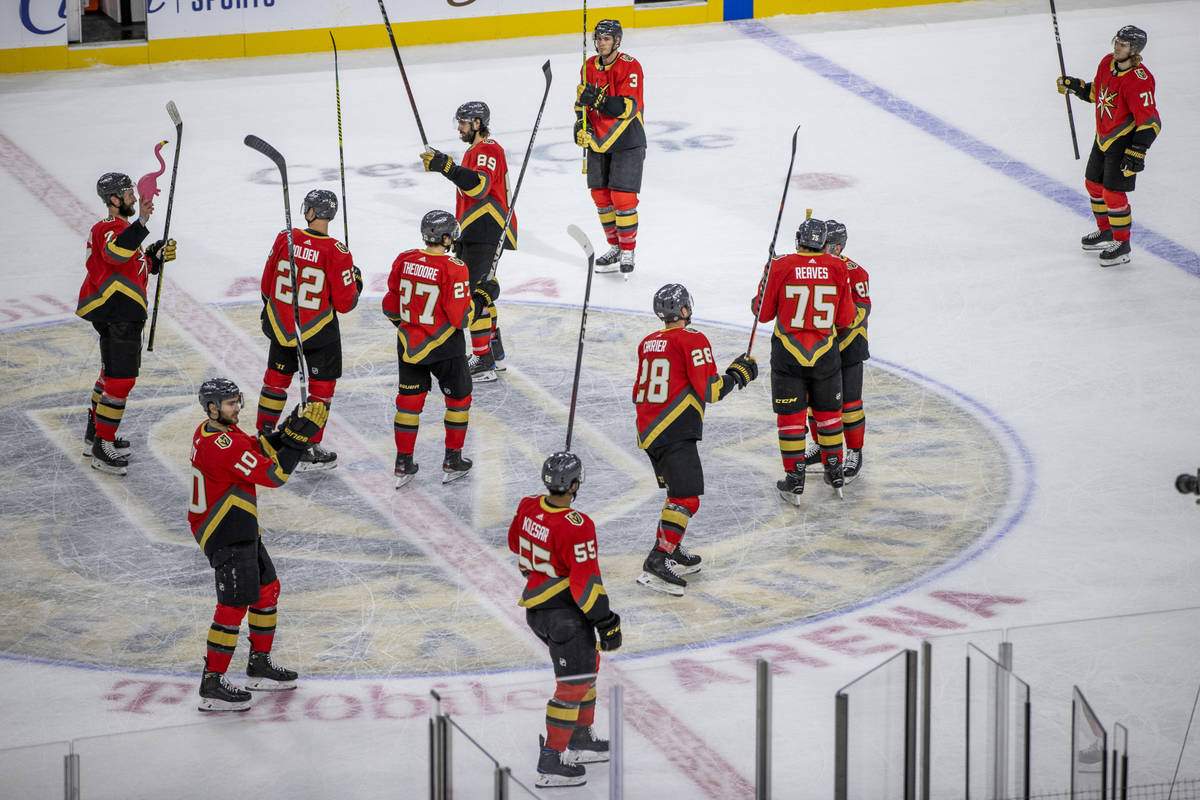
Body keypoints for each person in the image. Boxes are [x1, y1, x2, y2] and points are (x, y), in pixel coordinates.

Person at [188, 378, 328, 712]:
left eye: (238, 401)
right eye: (230, 403)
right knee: (233, 605)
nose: (238, 408)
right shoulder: (222, 445)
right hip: (225, 530)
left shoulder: (215, 432)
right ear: (212, 407)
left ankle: (259, 664)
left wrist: (287, 430)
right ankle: (212, 684)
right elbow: (275, 476)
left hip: (240, 524)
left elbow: (253, 447)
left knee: (268, 590)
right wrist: (297, 442)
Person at [633, 284, 758, 596]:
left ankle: (671, 547)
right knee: (686, 498)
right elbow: (710, 391)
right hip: (674, 429)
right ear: (685, 310)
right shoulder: (693, 339)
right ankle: (657, 561)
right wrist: (738, 375)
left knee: (677, 493)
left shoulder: (648, 342)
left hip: (649, 431)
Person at [506, 452, 622, 787]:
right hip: (565, 617)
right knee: (572, 685)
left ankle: (581, 738)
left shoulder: (528, 505)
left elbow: (515, 542)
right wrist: (606, 621)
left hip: (539, 610)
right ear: (573, 485)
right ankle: (552, 761)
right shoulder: (578, 526)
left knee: (587, 669)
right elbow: (584, 583)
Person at [77, 172, 176, 475]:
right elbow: (115, 254)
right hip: (117, 313)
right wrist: (142, 223)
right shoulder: (108, 227)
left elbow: (134, 269)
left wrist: (153, 256)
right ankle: (102, 447)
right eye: (128, 193)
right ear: (113, 200)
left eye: (132, 192)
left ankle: (95, 436)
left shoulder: (121, 229)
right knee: (121, 381)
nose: (134, 197)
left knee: (110, 376)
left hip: (121, 312)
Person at [255, 189, 362, 471]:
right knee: (321, 391)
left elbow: (266, 286)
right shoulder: (337, 251)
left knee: (274, 382)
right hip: (319, 333)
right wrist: (356, 282)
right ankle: (308, 447)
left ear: (311, 212)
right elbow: (344, 303)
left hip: (282, 326)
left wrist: (279, 314)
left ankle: (263, 440)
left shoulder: (285, 238)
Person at [754, 217, 855, 502]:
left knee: (791, 419)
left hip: (788, 355)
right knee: (829, 417)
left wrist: (767, 270)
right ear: (823, 243)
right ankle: (835, 472)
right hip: (825, 355)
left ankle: (795, 477)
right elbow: (846, 318)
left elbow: (761, 313)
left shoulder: (782, 265)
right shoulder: (837, 267)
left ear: (799, 240)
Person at [420, 101, 513, 382]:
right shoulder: (474, 150)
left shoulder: (488, 149)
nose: (459, 127)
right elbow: (469, 182)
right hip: (473, 231)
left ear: (477, 124)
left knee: (473, 295)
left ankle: (483, 359)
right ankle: (493, 352)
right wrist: (445, 164)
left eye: (464, 122)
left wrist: (446, 167)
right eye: (458, 122)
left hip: (487, 230)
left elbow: (480, 186)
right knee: (480, 289)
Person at [382, 210, 474, 486]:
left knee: (409, 404)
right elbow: (461, 318)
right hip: (446, 347)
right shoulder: (455, 267)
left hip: (409, 346)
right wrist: (480, 300)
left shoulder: (405, 259)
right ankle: (452, 459)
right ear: (445, 237)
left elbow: (389, 306)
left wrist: (410, 326)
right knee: (459, 400)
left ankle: (403, 462)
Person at [1057, 25, 1161, 267]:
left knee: (1112, 193)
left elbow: (1151, 121)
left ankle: (1122, 245)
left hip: (1123, 141)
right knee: (1093, 184)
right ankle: (1106, 233)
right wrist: (1076, 86)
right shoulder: (1106, 63)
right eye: (1117, 41)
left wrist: (1138, 150)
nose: (1116, 46)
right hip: (1102, 137)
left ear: (1134, 49)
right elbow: (1098, 93)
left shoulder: (1140, 80)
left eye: (1123, 44)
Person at [574, 19, 645, 275]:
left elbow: (629, 107)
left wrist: (600, 100)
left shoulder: (630, 66)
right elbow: (580, 105)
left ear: (617, 41)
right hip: (597, 140)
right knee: (601, 197)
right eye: (599, 38)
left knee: (623, 198)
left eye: (607, 38)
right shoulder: (588, 66)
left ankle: (628, 250)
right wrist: (580, 128)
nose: (601, 43)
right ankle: (615, 246)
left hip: (628, 139)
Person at [802, 219, 871, 482]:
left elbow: (862, 309)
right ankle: (822, 446)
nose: (818, 248)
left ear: (838, 247)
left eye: (825, 245)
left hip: (848, 346)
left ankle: (854, 451)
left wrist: (835, 327)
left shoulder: (856, 272)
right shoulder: (813, 268)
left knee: (850, 405)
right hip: (819, 346)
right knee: (815, 403)